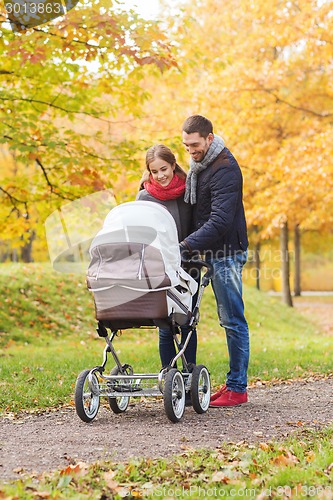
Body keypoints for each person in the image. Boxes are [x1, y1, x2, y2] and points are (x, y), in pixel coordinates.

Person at [180, 115, 249, 407]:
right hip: (211, 252)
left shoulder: (224, 169)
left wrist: (184, 245)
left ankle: (238, 389)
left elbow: (219, 221)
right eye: (185, 146)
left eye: (194, 145)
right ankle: (231, 384)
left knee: (232, 320)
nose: (190, 151)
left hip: (227, 252)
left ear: (209, 138)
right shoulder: (203, 166)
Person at [136, 144, 198, 369]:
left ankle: (189, 377)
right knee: (165, 325)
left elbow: (197, 226)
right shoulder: (144, 197)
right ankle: (169, 378)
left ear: (173, 165)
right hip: (159, 268)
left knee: (187, 324)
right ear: (149, 172)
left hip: (188, 264)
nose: (160, 175)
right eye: (154, 171)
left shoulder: (188, 191)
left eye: (164, 169)